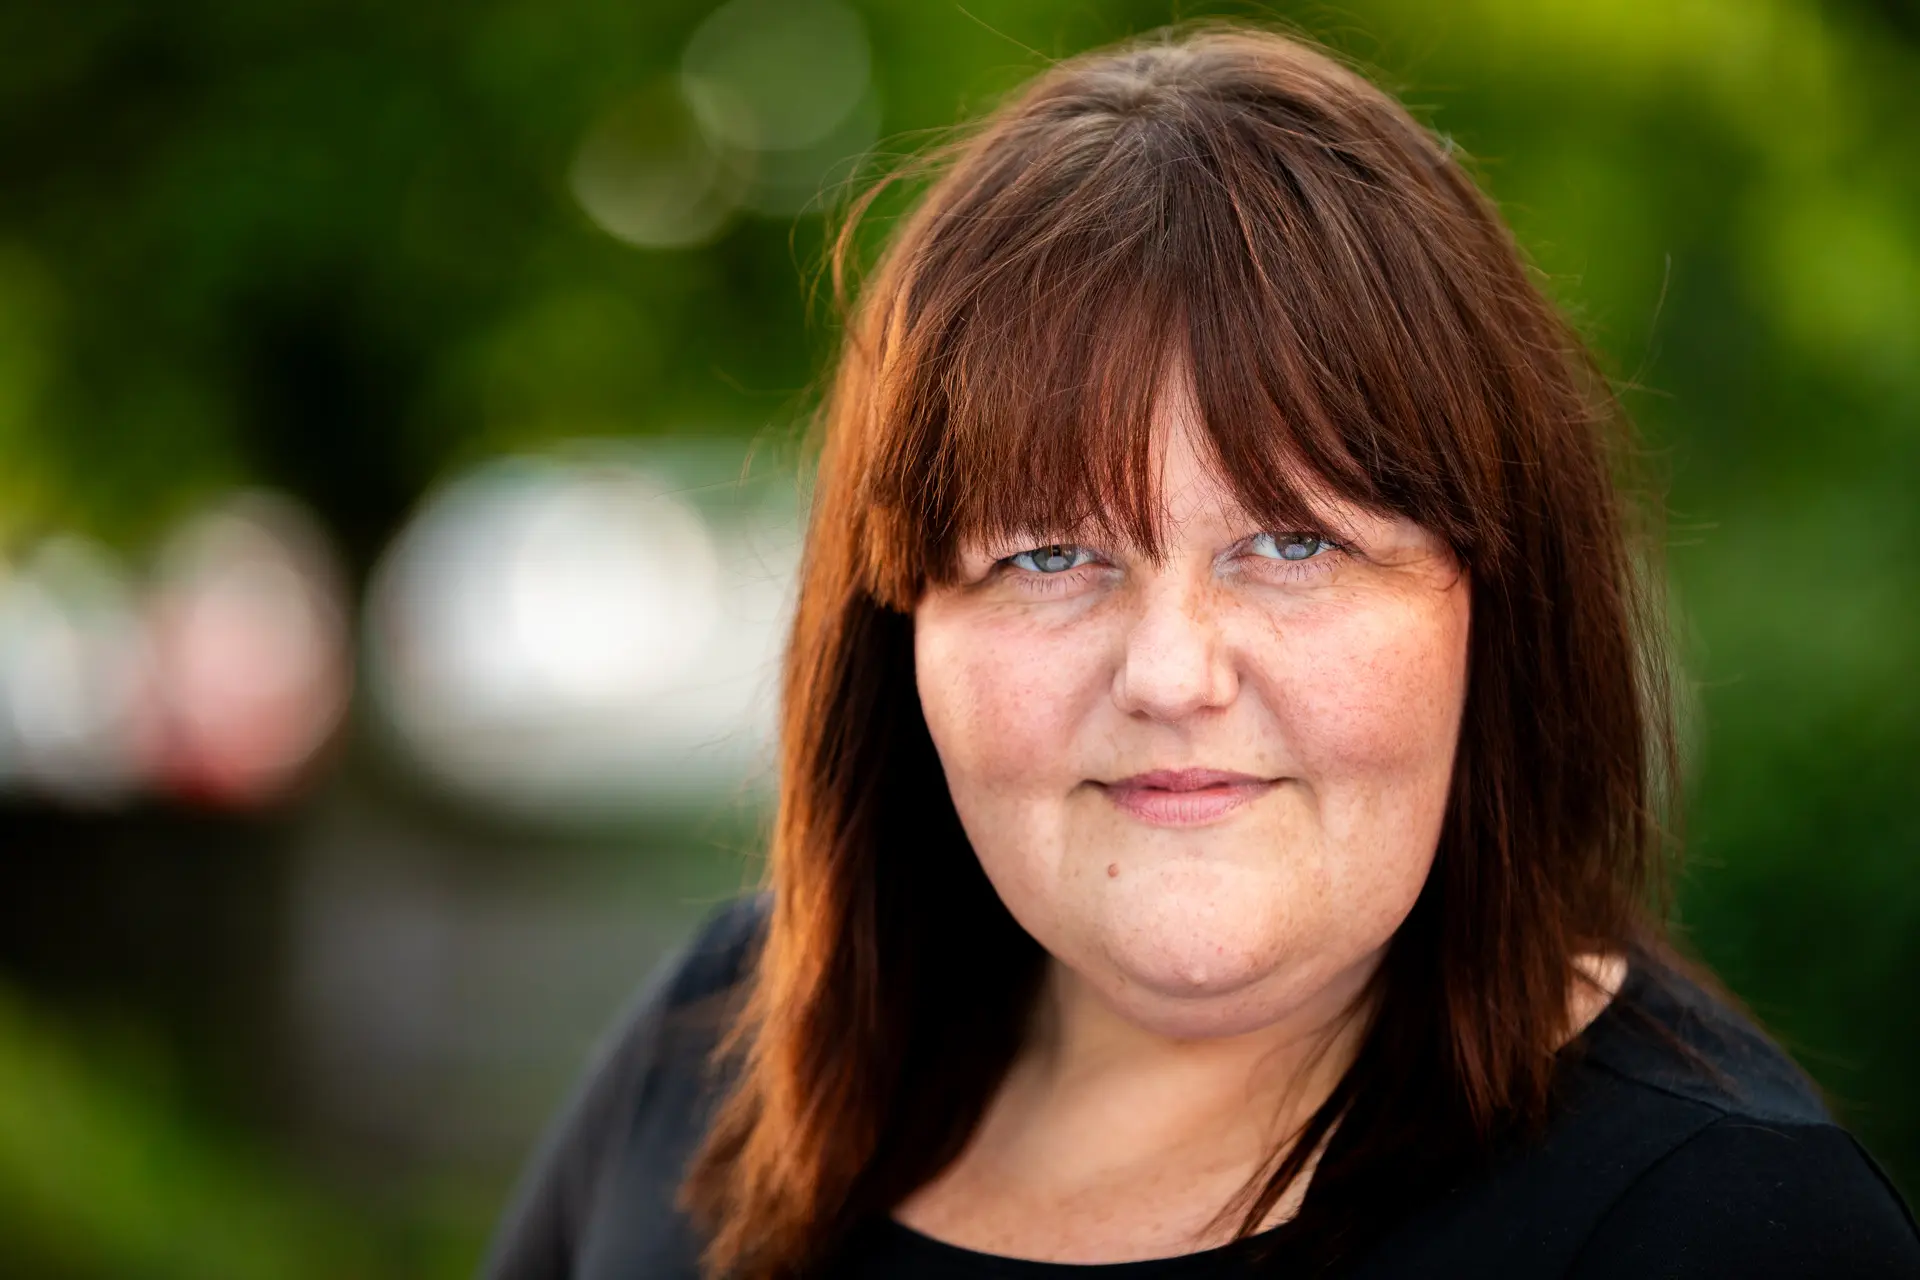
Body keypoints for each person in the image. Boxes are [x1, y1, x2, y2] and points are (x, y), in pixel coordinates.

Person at [481, 23, 1920, 1280]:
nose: (1172, 674)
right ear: (898, 629)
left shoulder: (1718, 1230)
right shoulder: (721, 1051)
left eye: (1294, 544)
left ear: (1496, 601)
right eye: (1049, 555)